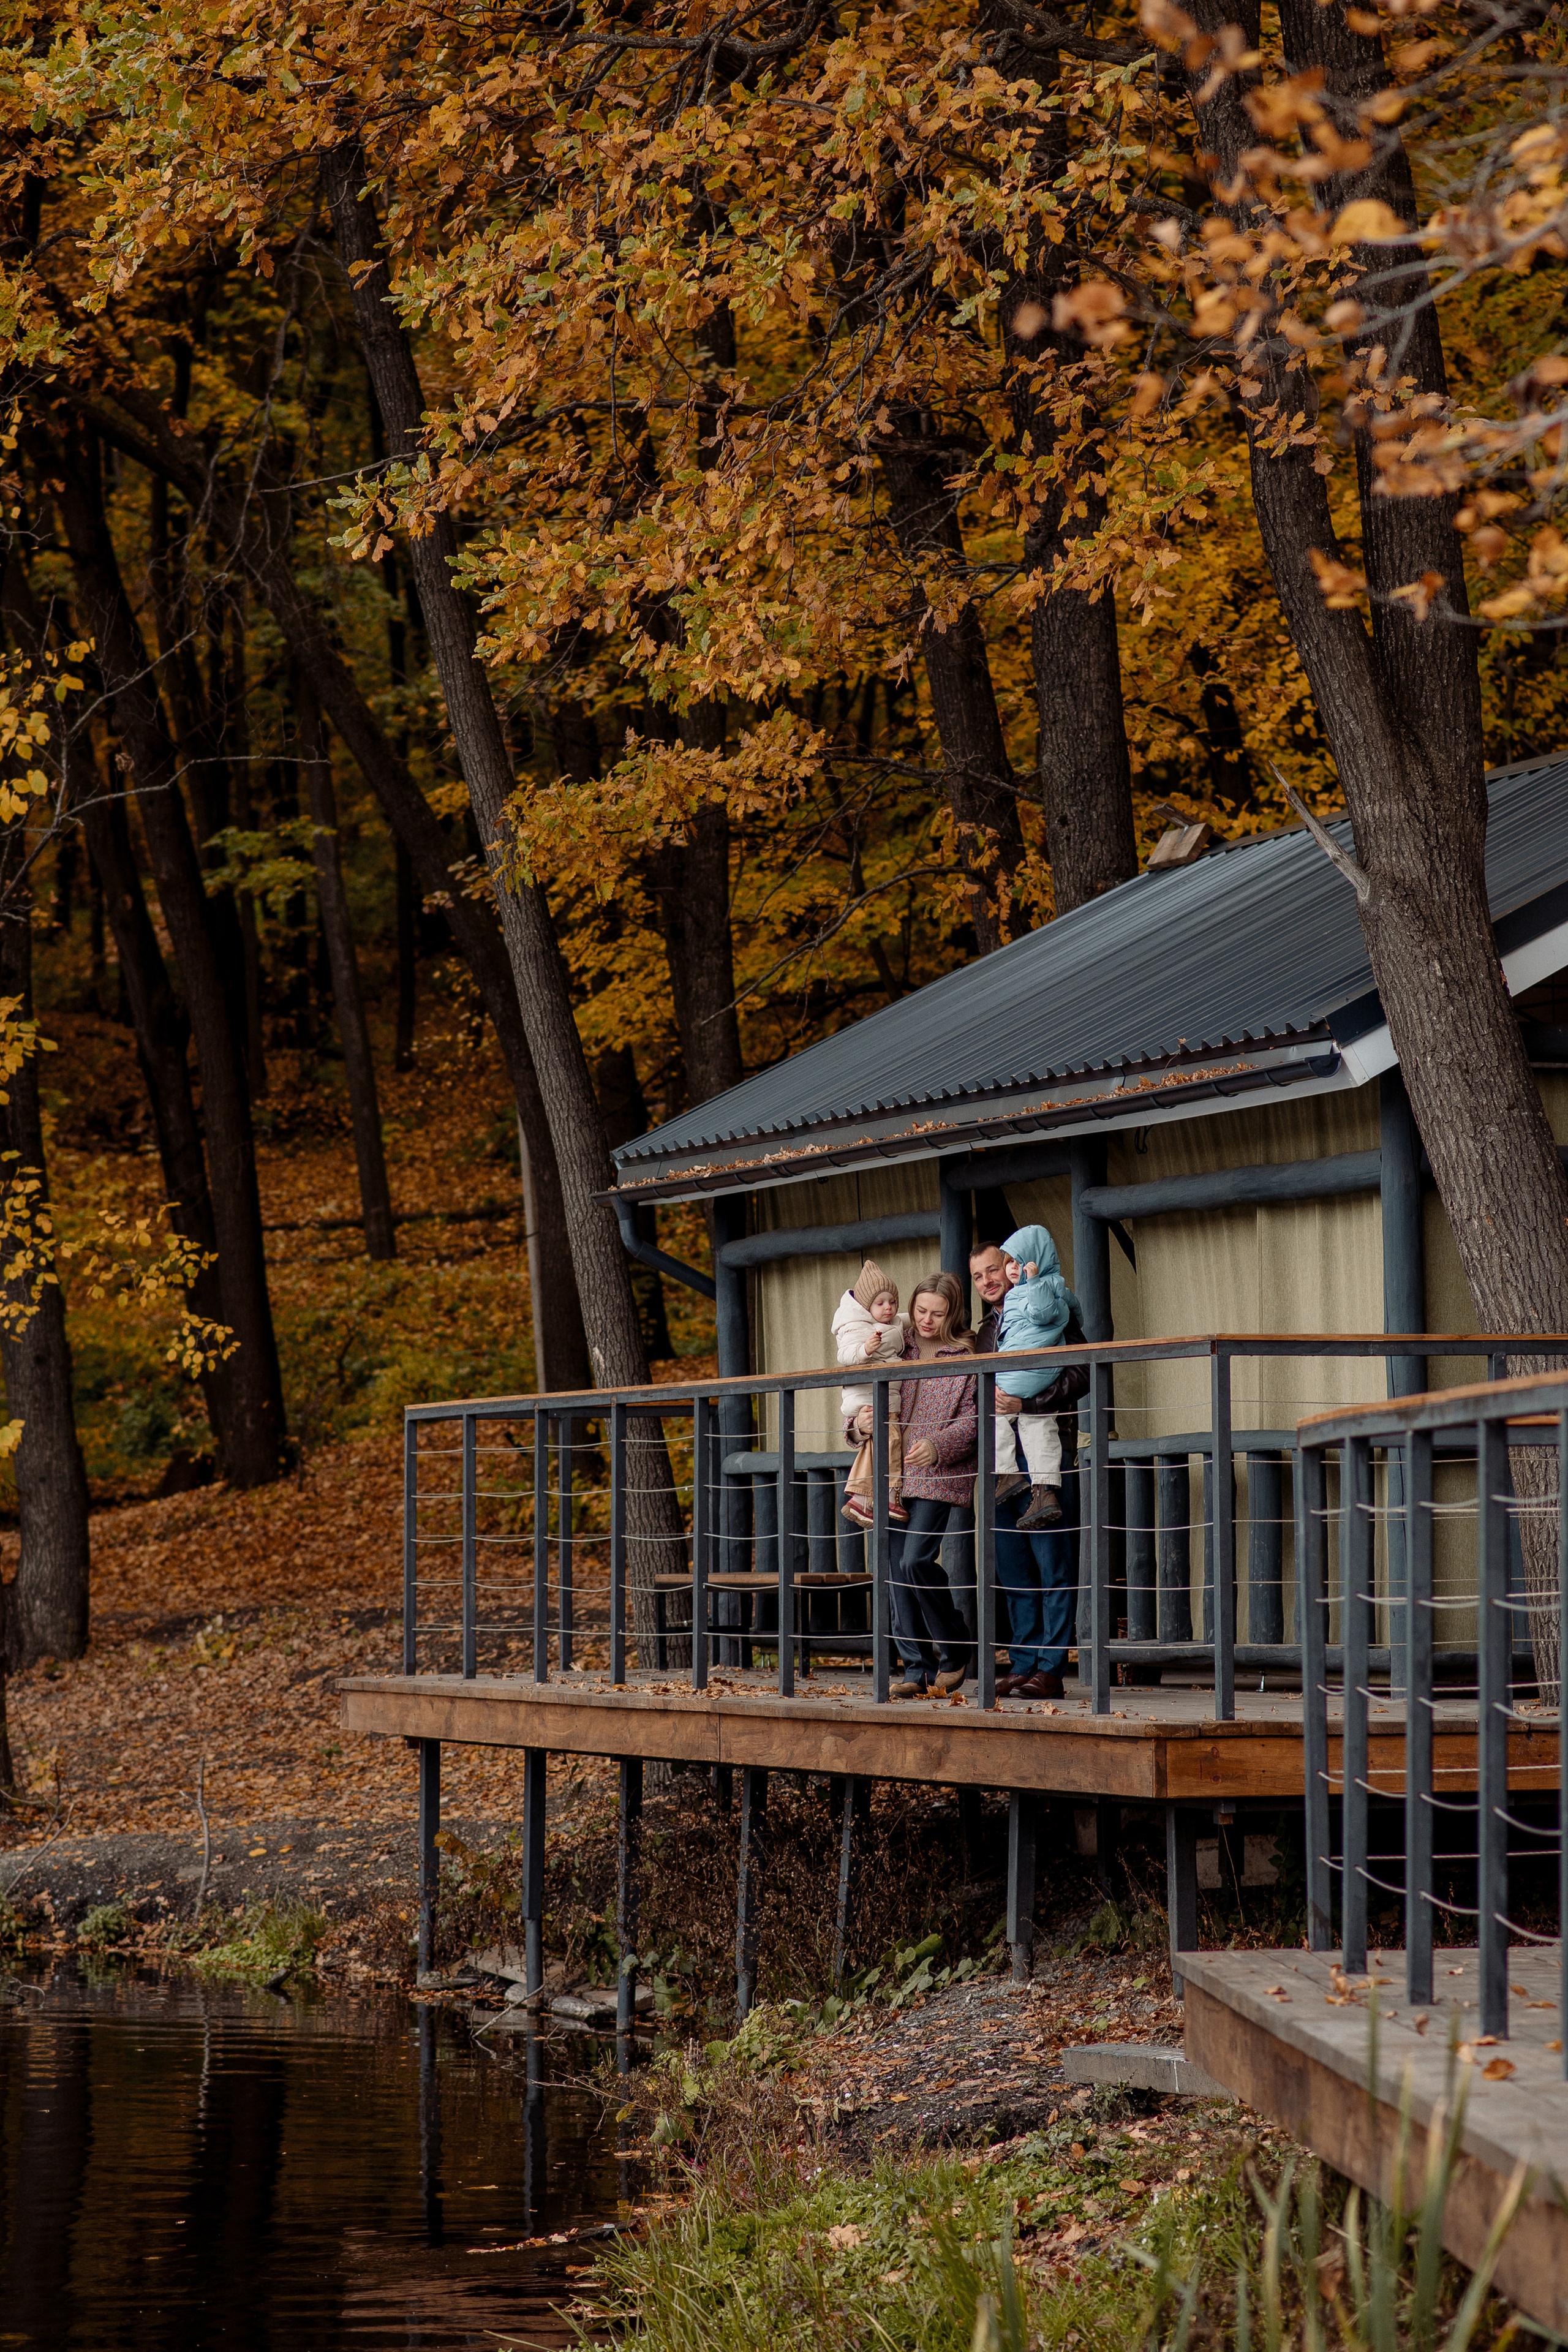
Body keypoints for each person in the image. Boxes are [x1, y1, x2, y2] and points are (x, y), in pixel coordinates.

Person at [972, 1240, 1080, 1700]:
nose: (988, 1281)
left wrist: (1028, 1403)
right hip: (1001, 1467)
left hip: (1046, 1465)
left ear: (1013, 1267)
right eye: (978, 1277)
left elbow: (1082, 1374)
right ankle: (1022, 1663)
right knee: (1015, 1571)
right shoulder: (983, 1332)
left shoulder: (1051, 1308)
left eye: (994, 1270)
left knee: (1052, 1566)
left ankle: (1051, 1669)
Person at [887, 1270, 978, 1700]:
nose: (926, 1320)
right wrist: (857, 1425)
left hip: (938, 1474)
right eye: (920, 1310)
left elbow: (975, 1421)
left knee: (914, 1562)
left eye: (937, 1313)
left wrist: (938, 1445)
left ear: (953, 1313)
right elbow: (861, 1397)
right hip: (889, 1473)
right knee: (897, 1574)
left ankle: (955, 1647)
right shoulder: (893, 1346)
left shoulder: (965, 1355)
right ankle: (917, 1669)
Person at [992, 1223, 1081, 1530]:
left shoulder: (1044, 1289)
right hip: (1017, 1383)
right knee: (996, 1417)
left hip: (1035, 1377)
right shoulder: (1008, 1306)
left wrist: (1028, 1404)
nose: (1012, 1270)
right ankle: (1007, 1474)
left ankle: (1042, 1490)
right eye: (1010, 1265)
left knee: (1038, 1425)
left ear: (1036, 1263)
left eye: (1019, 1263)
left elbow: (1045, 1316)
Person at [834, 1260, 908, 1526]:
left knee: (876, 1446)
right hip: (869, 1396)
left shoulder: (893, 1324)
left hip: (879, 1396)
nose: (888, 1308)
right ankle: (889, 1495)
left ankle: (861, 1500)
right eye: (880, 1303)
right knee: (890, 1440)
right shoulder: (857, 1327)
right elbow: (845, 1355)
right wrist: (865, 1349)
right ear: (867, 1306)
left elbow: (908, 1320)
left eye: (892, 1302)